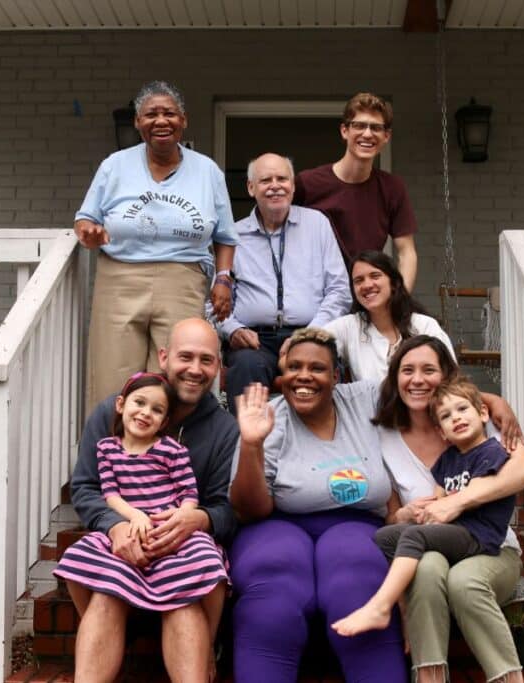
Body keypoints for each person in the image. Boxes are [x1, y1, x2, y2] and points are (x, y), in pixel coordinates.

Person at [229, 328, 407, 683]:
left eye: (317, 368)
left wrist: (491, 401)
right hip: (275, 523)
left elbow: (425, 388)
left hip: (356, 524)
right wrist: (252, 445)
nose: (304, 376)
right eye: (294, 367)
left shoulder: (364, 398)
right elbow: (250, 510)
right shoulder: (268, 416)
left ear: (337, 376)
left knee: (355, 585)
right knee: (273, 596)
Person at [67, 318, 238, 683]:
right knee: (105, 593)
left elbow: (228, 509)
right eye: (185, 357)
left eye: (206, 360)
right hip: (124, 544)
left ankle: (206, 650)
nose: (195, 369)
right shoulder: (113, 412)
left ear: (218, 368)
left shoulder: (224, 429)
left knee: (185, 600)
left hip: (181, 550)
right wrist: (115, 527)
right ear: (164, 357)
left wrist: (199, 519)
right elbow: (85, 487)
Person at [374, 335, 524, 683]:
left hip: (492, 549)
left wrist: (459, 501)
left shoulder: (482, 422)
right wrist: (406, 515)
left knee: (464, 581)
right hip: (432, 545)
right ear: (395, 378)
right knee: (427, 565)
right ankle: (430, 676)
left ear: (445, 374)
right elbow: (393, 517)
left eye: (428, 370)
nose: (417, 379)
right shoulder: (384, 437)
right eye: (407, 370)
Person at [332, 377, 520, 671]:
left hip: (480, 536)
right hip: (454, 535)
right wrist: (423, 511)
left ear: (483, 414)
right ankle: (409, 624)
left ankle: (381, 605)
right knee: (386, 536)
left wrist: (441, 512)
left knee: (415, 539)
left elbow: (477, 495)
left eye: (462, 410)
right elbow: (439, 497)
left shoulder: (492, 452)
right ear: (441, 431)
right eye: (446, 416)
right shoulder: (448, 461)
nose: (455, 418)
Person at [75, 80, 239, 410]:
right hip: (120, 278)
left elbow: (224, 237)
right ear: (138, 123)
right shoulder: (115, 165)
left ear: (184, 120)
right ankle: (113, 455)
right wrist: (90, 233)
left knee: (178, 374)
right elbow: (85, 219)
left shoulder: (207, 171)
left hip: (182, 279)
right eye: (150, 114)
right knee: (113, 373)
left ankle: (173, 456)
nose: (160, 121)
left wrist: (223, 278)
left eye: (169, 113)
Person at [216, 153, 350, 409]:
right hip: (254, 341)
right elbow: (215, 301)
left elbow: (339, 291)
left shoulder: (318, 225)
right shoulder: (234, 236)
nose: (275, 185)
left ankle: (320, 446)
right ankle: (246, 445)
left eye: (282, 178)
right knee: (245, 365)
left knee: (315, 365)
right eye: (266, 180)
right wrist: (233, 329)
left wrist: (311, 332)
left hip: (311, 331)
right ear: (251, 187)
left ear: (293, 185)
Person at [294, 93, 418, 289]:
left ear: (386, 136)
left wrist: (400, 302)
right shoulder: (306, 183)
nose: (367, 134)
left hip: (365, 295)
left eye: (376, 127)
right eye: (359, 125)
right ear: (344, 131)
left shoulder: (392, 188)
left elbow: (406, 252)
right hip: (314, 297)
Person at [322, 250, 454, 382]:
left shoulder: (424, 325)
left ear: (394, 283)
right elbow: (310, 346)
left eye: (375, 276)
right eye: (358, 280)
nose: (367, 285)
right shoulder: (348, 327)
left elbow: (452, 376)